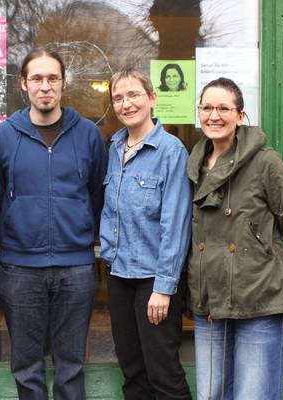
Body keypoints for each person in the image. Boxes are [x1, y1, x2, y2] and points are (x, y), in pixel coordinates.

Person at [187, 77, 283, 400]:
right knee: (210, 395)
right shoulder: (194, 163)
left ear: (240, 115)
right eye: (207, 108)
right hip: (210, 301)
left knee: (254, 395)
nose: (214, 115)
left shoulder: (265, 162)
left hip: (260, 298)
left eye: (224, 108)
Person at [0, 48, 107, 400]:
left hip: (76, 268)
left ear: (63, 82)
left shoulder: (88, 134)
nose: (45, 86)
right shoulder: (3, 135)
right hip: (20, 268)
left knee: (71, 366)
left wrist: (79, 230)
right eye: (37, 78)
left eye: (52, 78)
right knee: (26, 367)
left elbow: (96, 194)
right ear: (23, 84)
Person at [100, 68, 192, 399]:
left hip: (154, 280)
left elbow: (176, 224)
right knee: (132, 370)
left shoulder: (171, 151)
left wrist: (164, 288)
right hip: (119, 275)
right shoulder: (114, 148)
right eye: (118, 98)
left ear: (152, 98)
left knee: (163, 373)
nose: (126, 104)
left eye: (133, 95)